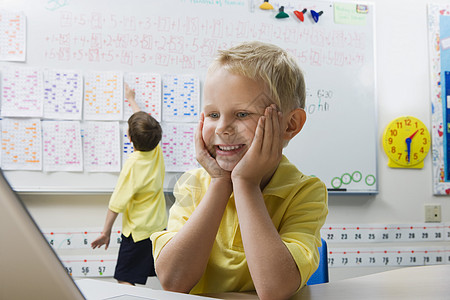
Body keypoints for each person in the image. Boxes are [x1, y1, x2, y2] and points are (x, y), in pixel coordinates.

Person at [151, 41, 328, 300]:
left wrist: (245, 184)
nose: (222, 128)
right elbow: (173, 281)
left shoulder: (305, 192)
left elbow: (275, 289)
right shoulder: (194, 184)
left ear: (290, 124)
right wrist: (221, 183)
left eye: (242, 114)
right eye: (212, 115)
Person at [91, 83, 167, 286]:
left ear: (129, 137)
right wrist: (132, 100)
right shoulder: (156, 151)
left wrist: (105, 232)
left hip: (138, 233)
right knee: (163, 274)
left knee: (125, 278)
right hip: (159, 228)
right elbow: (146, 124)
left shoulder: (133, 165)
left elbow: (116, 204)